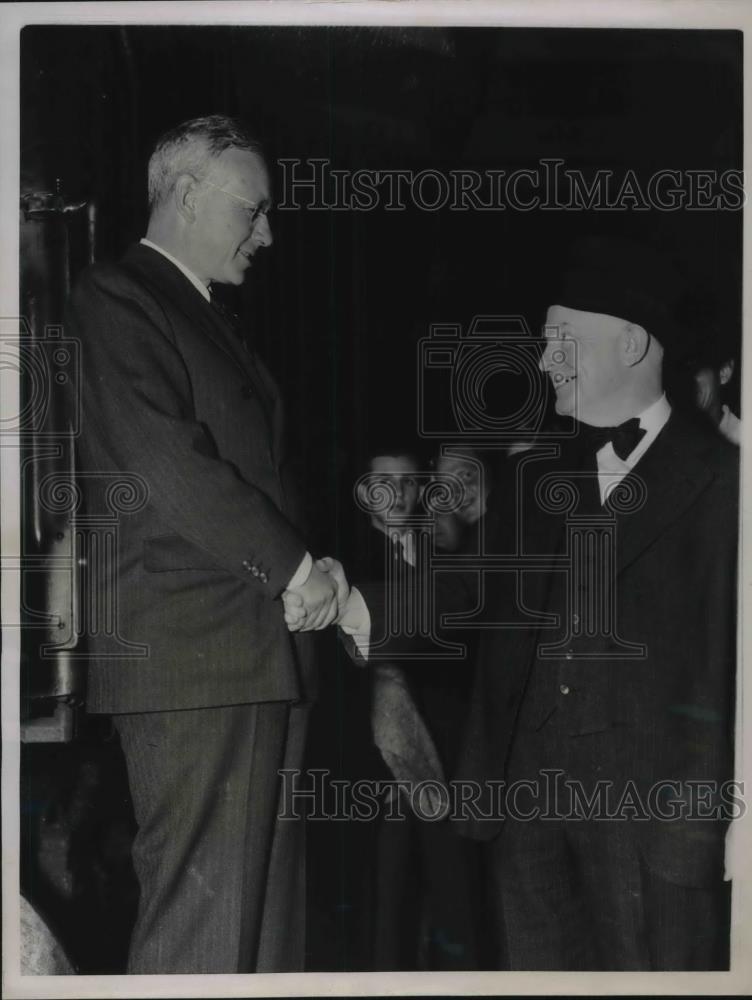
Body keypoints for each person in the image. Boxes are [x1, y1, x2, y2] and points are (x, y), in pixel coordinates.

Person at [289, 236, 739, 970]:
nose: (543, 359)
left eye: (561, 340)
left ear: (630, 345)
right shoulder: (534, 478)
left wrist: (707, 831)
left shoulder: (725, 483)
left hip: (650, 827)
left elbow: (728, 675)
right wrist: (349, 602)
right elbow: (465, 591)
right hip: (525, 812)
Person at [66, 115, 346, 973]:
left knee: (260, 945)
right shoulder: (116, 297)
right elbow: (166, 463)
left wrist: (312, 575)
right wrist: (297, 568)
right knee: (204, 943)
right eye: (252, 210)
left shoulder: (199, 313)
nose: (268, 233)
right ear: (187, 195)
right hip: (200, 665)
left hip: (251, 658)